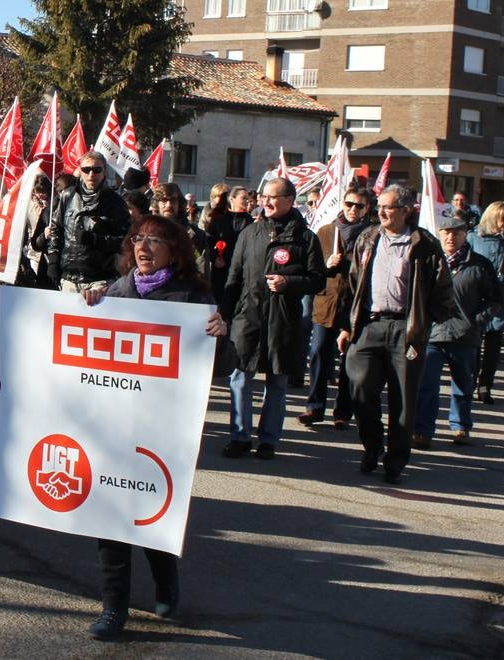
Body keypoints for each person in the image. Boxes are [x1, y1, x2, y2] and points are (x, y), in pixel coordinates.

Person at [82, 214, 227, 640]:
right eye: (138, 240)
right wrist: (90, 301)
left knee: (149, 513)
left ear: (174, 250)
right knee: (110, 516)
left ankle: (166, 579)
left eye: (154, 241)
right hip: (112, 423)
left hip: (161, 428)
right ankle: (114, 608)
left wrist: (221, 336)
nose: (143, 248)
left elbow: (220, 365)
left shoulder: (193, 297)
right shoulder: (116, 292)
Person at [337, 185, 457, 485]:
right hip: (369, 325)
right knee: (360, 388)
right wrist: (345, 325)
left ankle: (395, 460)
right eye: (380, 205)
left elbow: (443, 291)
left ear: (406, 210)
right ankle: (372, 446)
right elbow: (352, 286)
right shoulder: (368, 238)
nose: (381, 211)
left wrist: (423, 323)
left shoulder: (424, 244)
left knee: (403, 400)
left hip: (406, 329)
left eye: (389, 206)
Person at [221, 178, 325, 459]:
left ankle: (268, 439)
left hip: (282, 321)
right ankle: (239, 436)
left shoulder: (306, 238)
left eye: (273, 197)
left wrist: (289, 283)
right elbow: (234, 276)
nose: (265, 202)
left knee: (276, 383)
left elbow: (317, 281)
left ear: (291, 200)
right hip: (248, 317)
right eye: (263, 196)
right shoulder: (250, 233)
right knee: (240, 378)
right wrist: (226, 316)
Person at [413, 213, 499, 448]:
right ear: (439, 235)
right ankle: (422, 431)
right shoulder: (429, 261)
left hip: (465, 335)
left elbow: (495, 299)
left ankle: (461, 426)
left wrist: (477, 320)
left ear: (465, 235)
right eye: (446, 232)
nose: (451, 237)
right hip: (433, 334)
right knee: (426, 385)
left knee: (462, 385)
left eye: (456, 233)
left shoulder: (480, 264)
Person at [298, 187, 370, 429]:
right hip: (326, 303)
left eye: (359, 206)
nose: (353, 209)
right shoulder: (327, 231)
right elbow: (313, 269)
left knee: (349, 359)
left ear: (366, 208)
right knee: (318, 353)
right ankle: (314, 407)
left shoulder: (371, 236)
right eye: (349, 204)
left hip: (354, 306)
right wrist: (327, 264)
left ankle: (343, 411)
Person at [44, 151, 130, 301]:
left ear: (104, 171)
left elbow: (126, 242)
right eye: (86, 169)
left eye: (97, 169)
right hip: (69, 279)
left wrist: (95, 239)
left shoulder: (115, 202)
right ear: (80, 170)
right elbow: (56, 230)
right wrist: (53, 261)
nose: (91, 174)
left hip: (100, 281)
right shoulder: (67, 196)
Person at [469, 201, 504, 404]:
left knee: (493, 348)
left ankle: (485, 387)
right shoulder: (474, 238)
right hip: (477, 300)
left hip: (501, 302)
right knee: (473, 345)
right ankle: (470, 381)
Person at [206, 186, 253, 310]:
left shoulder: (251, 222)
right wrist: (215, 258)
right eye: (243, 198)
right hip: (222, 271)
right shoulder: (219, 220)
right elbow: (209, 243)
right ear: (232, 199)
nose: (247, 202)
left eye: (248, 199)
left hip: (242, 272)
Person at [152, 183, 209, 279]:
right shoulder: (146, 231)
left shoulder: (194, 234)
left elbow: (202, 268)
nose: (169, 205)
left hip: (184, 288)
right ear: (157, 203)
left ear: (179, 203)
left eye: (173, 200)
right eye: (164, 200)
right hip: (153, 289)